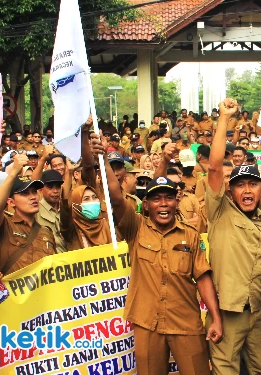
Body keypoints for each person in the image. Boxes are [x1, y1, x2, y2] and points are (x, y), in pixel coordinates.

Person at [90, 132, 224, 375]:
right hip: (147, 324)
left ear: (177, 201)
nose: (163, 204)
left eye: (168, 198)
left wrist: (215, 317)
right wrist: (103, 160)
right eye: (156, 199)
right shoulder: (135, 228)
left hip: (186, 322)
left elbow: (203, 277)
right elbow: (115, 196)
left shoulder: (191, 234)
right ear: (147, 205)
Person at [207, 98, 261, 375]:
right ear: (230, 190)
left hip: (258, 311)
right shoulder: (219, 210)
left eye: (253, 184)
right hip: (228, 313)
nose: (247, 190)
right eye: (240, 185)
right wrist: (224, 118)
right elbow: (213, 167)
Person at [0, 153, 56, 275]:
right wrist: (14, 172)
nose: (33, 197)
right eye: (25, 194)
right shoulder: (5, 226)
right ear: (11, 202)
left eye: (34, 192)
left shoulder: (46, 232)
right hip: (15, 294)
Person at [61, 184, 118, 251]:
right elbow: (65, 202)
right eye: (86, 199)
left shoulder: (107, 224)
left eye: (94, 197)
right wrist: (68, 174)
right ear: (77, 205)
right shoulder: (72, 229)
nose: (92, 201)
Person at [36, 170, 66, 254]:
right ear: (41, 189)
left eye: (58, 187)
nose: (55, 191)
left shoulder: (66, 209)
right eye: (50, 187)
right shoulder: (35, 211)